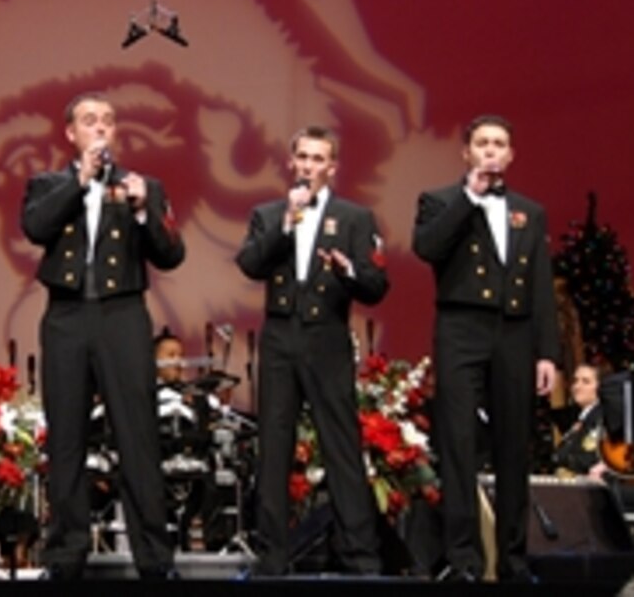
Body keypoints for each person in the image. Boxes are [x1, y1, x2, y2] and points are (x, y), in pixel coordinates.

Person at [20, 91, 184, 579]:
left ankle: (154, 556)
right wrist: (81, 180)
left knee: (137, 437)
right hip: (67, 317)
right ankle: (66, 555)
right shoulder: (48, 184)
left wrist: (142, 212)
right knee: (67, 437)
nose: (100, 128)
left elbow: (172, 253)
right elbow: (36, 227)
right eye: (90, 121)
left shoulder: (142, 186)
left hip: (123, 317)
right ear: (71, 133)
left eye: (108, 121)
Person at [412, 114, 559, 582]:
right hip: (460, 328)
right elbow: (427, 248)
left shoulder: (529, 212)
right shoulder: (440, 201)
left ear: (511, 154)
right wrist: (469, 197)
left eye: (499, 144)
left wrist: (547, 353)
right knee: (458, 443)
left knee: (514, 445)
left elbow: (540, 287)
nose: (491, 151)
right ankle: (464, 559)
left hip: (514, 333)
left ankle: (514, 558)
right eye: (482, 143)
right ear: (467, 153)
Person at [236, 125, 388, 576]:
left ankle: (361, 555)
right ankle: (273, 556)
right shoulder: (269, 214)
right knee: (275, 446)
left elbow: (377, 284)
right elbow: (249, 263)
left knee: (340, 445)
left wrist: (349, 272)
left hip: (327, 337)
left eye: (318, 159)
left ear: (333, 167)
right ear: (291, 162)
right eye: (302, 157)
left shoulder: (355, 218)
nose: (308, 166)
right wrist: (286, 223)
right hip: (281, 336)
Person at [553, 363, 606, 480]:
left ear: (600, 387)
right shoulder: (579, 418)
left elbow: (589, 457)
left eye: (586, 382)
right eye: (576, 381)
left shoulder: (602, 418)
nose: (577, 386)